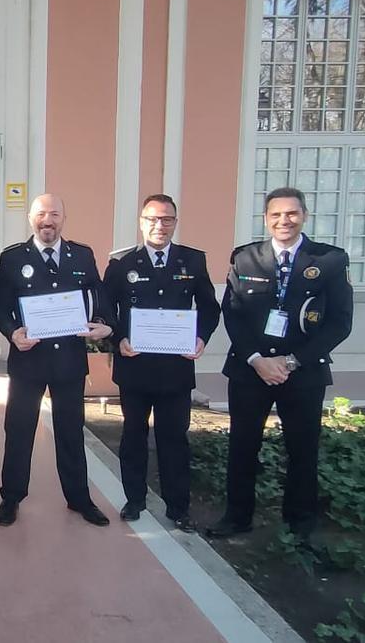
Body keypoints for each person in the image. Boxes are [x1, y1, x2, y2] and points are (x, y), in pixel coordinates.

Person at [206, 187, 353, 541]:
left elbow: (340, 322)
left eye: (291, 214)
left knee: (302, 448)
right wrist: (257, 360)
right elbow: (234, 315)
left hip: (302, 372)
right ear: (265, 219)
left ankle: (300, 524)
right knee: (243, 445)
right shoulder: (245, 258)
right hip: (249, 370)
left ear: (304, 215)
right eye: (276, 214)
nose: (284, 221)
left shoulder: (330, 260)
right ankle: (237, 517)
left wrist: (289, 361)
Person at [0, 194, 115, 527]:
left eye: (55, 214)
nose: (48, 220)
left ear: (63, 218)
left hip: (69, 360)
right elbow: (0, 304)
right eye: (42, 214)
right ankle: (11, 497)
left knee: (71, 432)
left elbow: (99, 295)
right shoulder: (14, 257)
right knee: (18, 430)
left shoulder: (82, 254)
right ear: (31, 218)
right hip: (28, 359)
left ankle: (79, 499)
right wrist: (12, 332)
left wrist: (104, 322)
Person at [103, 194, 220, 533]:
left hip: (175, 369)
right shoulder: (122, 264)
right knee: (133, 436)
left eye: (166, 219)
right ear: (141, 223)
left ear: (175, 222)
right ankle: (135, 499)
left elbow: (210, 308)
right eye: (152, 219)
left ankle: (178, 506)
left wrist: (200, 338)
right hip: (135, 366)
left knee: (174, 438)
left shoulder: (192, 261)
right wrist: (118, 338)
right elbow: (106, 308)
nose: (159, 225)